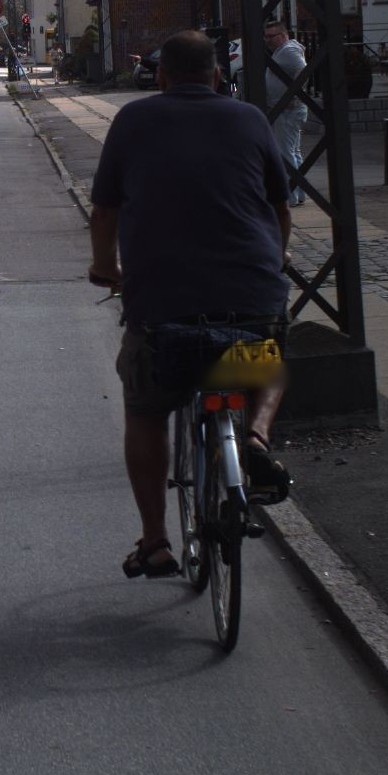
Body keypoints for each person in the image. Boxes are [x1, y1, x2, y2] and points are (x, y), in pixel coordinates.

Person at [87, 30, 293, 580]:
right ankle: (256, 437)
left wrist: (106, 267)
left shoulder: (133, 120)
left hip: (164, 315)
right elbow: (279, 208)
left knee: (146, 410)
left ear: (161, 77)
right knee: (267, 353)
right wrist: (274, 261)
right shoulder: (250, 119)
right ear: (218, 75)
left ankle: (156, 541)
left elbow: (104, 211)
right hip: (249, 303)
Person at [262, 20, 309, 207]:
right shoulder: (284, 50)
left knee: (285, 153)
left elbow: (303, 70)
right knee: (293, 152)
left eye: (271, 36)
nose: (267, 40)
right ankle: (299, 193)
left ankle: (290, 197)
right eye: (266, 36)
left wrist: (292, 97)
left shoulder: (288, 50)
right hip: (288, 109)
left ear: (282, 36)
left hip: (287, 110)